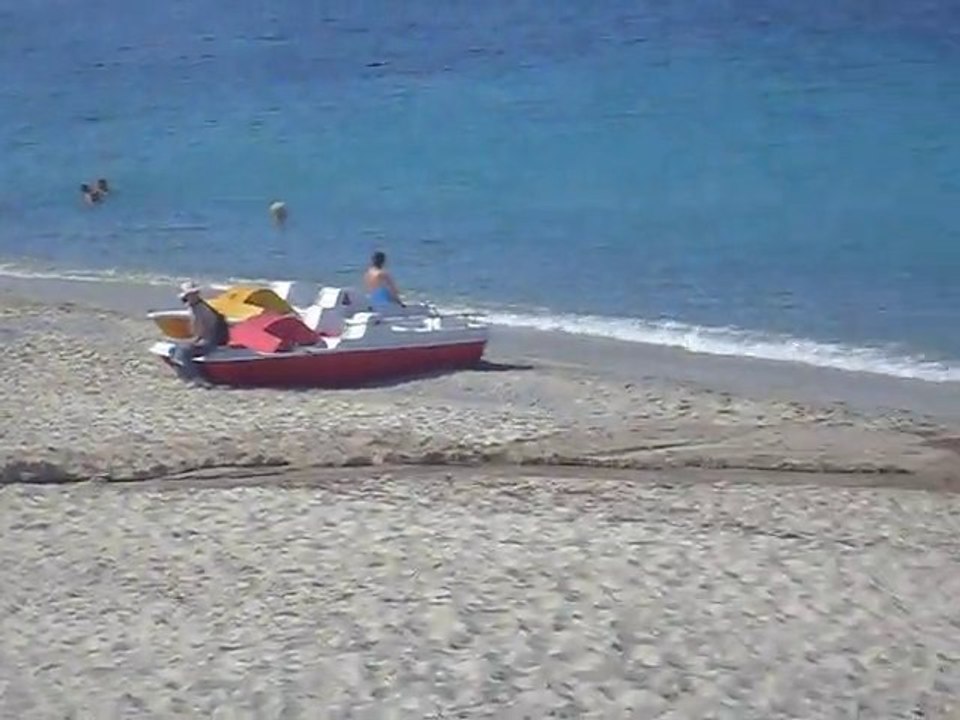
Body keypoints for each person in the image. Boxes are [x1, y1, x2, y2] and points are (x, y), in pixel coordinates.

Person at [171, 281, 229, 384]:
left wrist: (194, 341)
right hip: (208, 339)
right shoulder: (198, 307)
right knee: (174, 349)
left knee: (183, 351)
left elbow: (201, 331)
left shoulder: (201, 309)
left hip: (210, 342)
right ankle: (186, 376)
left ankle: (196, 378)